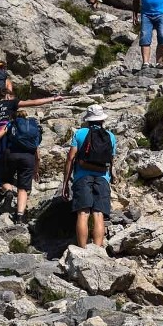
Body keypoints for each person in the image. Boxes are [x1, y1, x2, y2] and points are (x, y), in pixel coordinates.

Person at [0, 88, 63, 219]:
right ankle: (19, 214)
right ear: (8, 96)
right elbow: (34, 102)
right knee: (21, 186)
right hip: (11, 143)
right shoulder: (10, 104)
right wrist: (53, 98)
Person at [61, 104, 117, 248]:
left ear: (88, 120)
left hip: (82, 177)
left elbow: (70, 158)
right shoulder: (110, 136)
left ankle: (82, 249)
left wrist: (65, 183)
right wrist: (111, 177)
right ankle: (97, 250)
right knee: (98, 214)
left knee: (83, 213)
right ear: (102, 120)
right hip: (103, 177)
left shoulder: (80, 134)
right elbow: (111, 160)